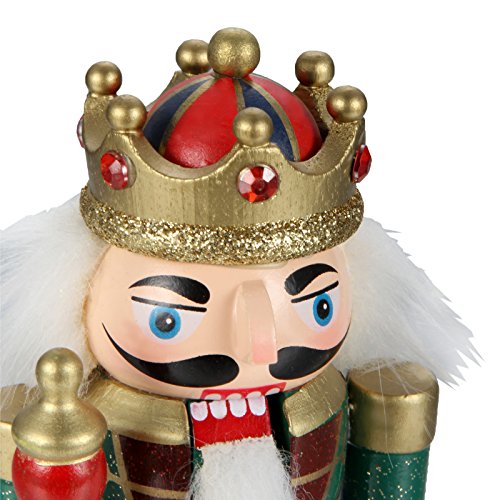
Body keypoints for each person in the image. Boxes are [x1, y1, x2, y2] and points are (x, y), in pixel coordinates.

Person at [0, 27, 475, 500]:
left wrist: (395, 430)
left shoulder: (327, 402)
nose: (259, 348)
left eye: (318, 306)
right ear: (80, 290)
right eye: (168, 319)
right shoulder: (84, 425)